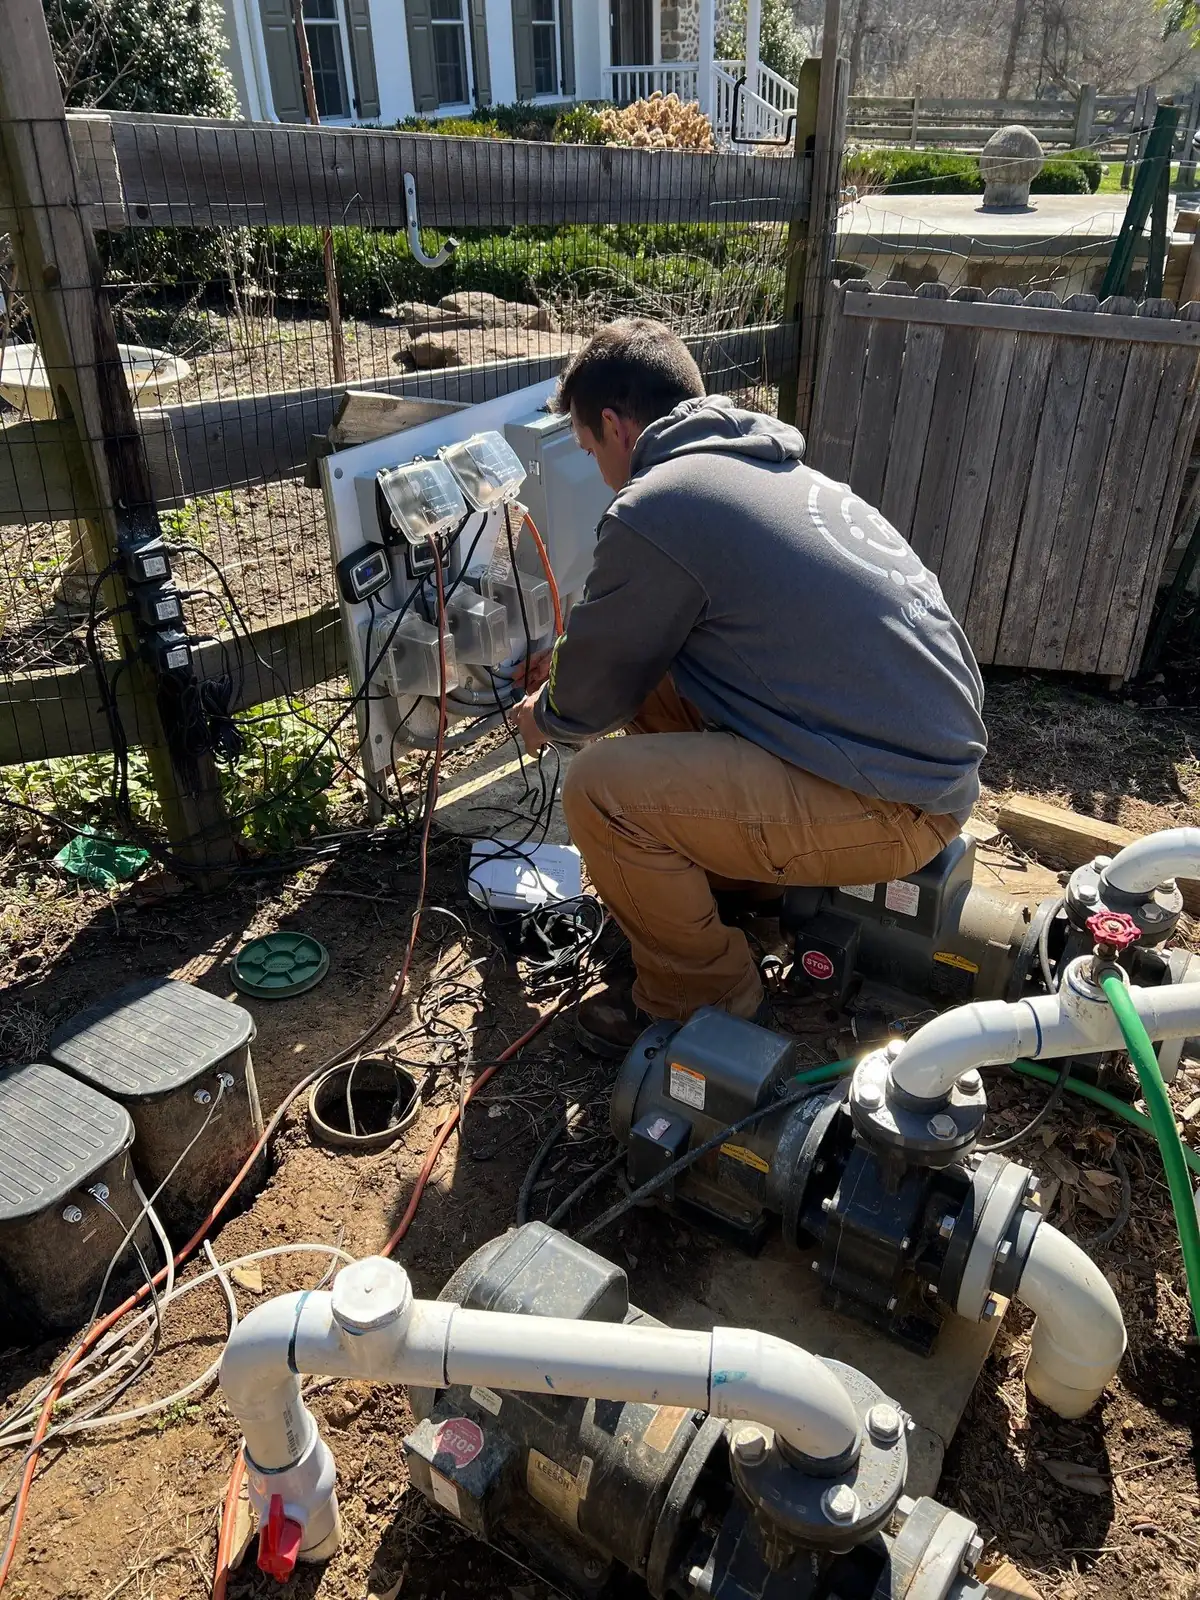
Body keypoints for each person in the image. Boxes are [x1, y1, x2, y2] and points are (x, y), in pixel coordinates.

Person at [516, 318, 986, 1059]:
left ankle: (698, 999)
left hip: (892, 806)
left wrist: (545, 714)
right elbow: (630, 653)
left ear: (613, 425)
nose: (600, 469)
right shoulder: (764, 474)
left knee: (599, 791)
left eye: (587, 449)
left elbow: (587, 703)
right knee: (659, 679)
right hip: (913, 767)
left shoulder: (659, 500)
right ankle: (737, 894)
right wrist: (581, 668)